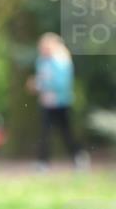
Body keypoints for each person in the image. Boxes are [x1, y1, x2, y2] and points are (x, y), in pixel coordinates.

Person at [27, 32, 87, 169]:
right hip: (46, 103)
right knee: (44, 132)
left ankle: (78, 156)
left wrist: (39, 85)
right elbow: (42, 78)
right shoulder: (42, 61)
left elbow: (61, 84)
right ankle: (43, 162)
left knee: (66, 132)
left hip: (61, 103)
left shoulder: (61, 61)